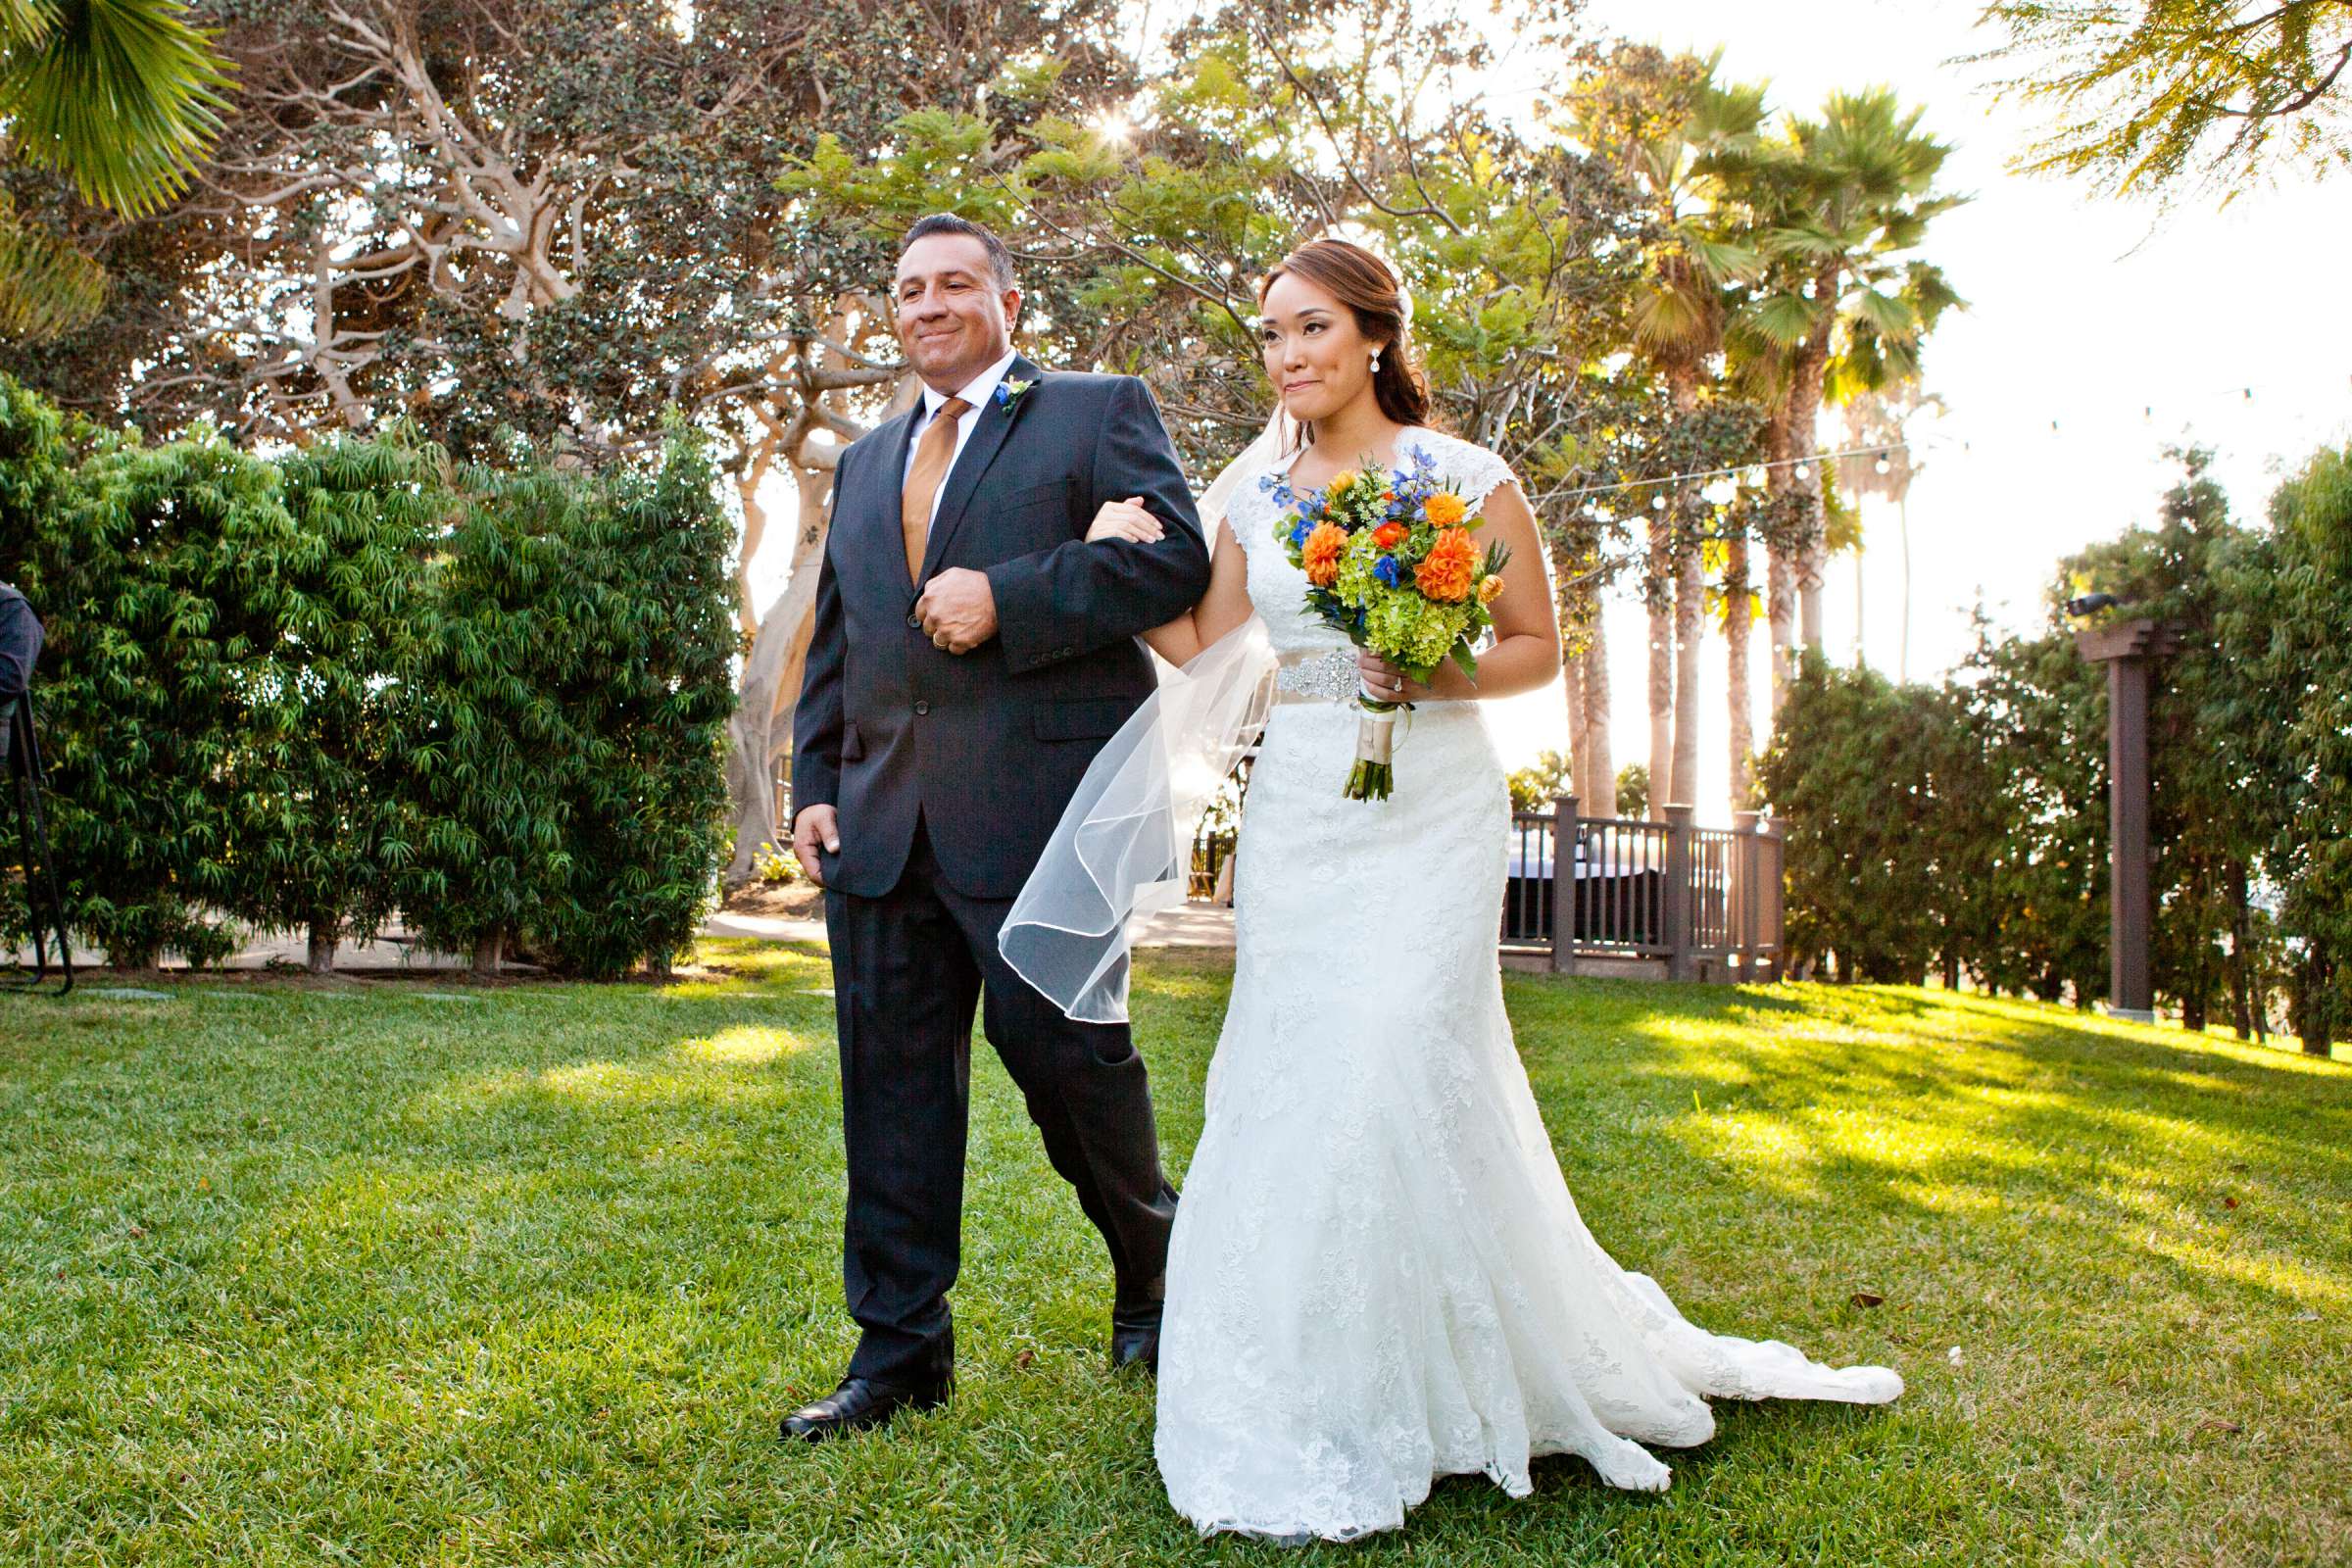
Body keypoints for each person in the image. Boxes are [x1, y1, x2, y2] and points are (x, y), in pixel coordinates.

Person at [1014, 236, 1904, 1542]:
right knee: (1300, 1069)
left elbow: (1536, 649)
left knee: (1400, 1055)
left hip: (1433, 807)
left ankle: (1446, 1364)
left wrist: (1430, 671)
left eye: (1311, 328)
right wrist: (1109, 552)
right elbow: (1201, 639)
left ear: (1374, 336)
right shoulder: (1258, 493)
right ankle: (1306, 1377)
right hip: (1307, 808)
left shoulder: (1465, 477)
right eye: (1271, 335)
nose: (1289, 357)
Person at [781, 214, 1214, 1441]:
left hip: (1036, 821)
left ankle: (1157, 1267)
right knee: (892, 1100)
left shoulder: (1092, 411)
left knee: (1071, 1072)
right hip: (878, 833)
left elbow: (1175, 562)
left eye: (955, 283)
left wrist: (1007, 596)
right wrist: (816, 777)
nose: (927, 303)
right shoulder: (866, 462)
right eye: (908, 287)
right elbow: (842, 639)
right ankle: (901, 1351)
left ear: (1008, 303)